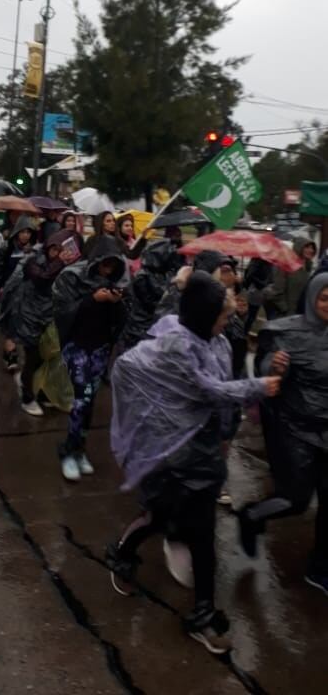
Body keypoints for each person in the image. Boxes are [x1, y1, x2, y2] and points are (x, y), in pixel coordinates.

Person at [108, 273, 280, 654]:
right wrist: (257, 388)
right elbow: (208, 388)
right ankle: (122, 552)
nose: (225, 325)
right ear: (202, 315)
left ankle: (203, 611)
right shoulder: (174, 345)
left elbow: (221, 384)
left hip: (201, 452)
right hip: (169, 454)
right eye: (221, 317)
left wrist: (227, 424)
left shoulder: (214, 340)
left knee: (200, 532)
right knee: (163, 518)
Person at [237, 273, 328, 595]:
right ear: (312, 298)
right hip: (296, 429)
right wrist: (273, 368)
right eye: (325, 297)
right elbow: (263, 370)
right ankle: (251, 516)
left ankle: (320, 568)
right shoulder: (286, 331)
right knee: (296, 500)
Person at [53, 234, 129, 481]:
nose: (107, 269)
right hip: (77, 346)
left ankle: (79, 448)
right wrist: (92, 300)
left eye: (112, 265)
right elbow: (63, 313)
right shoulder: (72, 277)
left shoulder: (115, 283)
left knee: (89, 400)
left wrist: (116, 303)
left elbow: (121, 321)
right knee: (81, 399)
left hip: (100, 349)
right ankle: (67, 450)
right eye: (104, 263)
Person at [15, 231, 70, 416]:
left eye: (62, 249)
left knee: (49, 359)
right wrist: (60, 262)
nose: (58, 253)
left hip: (50, 318)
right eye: (55, 248)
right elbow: (42, 278)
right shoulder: (33, 261)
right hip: (31, 317)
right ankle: (27, 397)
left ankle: (44, 394)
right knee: (33, 358)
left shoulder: (64, 266)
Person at [0, 215, 38, 371]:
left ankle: (10, 351)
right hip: (8, 293)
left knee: (19, 324)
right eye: (23, 232)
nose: (25, 235)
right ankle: (11, 354)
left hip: (26, 295)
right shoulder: (7, 247)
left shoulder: (34, 251)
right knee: (9, 324)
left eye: (28, 232)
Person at [119, 238, 179, 349]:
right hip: (140, 325)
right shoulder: (143, 277)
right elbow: (151, 303)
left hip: (155, 323)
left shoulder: (165, 274)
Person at [259, 236, 316, 319]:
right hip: (287, 314)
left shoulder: (308, 266)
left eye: (312, 248)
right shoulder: (286, 264)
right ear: (298, 247)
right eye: (307, 247)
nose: (311, 250)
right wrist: (285, 309)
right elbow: (277, 291)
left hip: (301, 312)